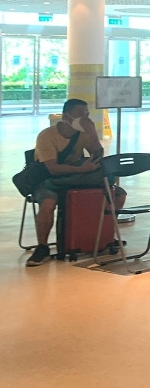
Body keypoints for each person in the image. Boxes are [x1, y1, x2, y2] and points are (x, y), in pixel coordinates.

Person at [26, 98, 126, 267]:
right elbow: (52, 168)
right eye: (81, 114)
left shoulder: (84, 133)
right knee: (48, 204)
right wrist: (81, 169)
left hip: (77, 178)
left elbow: (97, 157)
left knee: (118, 195)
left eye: (87, 114)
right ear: (66, 116)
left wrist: (93, 133)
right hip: (48, 179)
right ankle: (42, 247)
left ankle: (104, 236)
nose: (85, 118)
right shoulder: (47, 136)